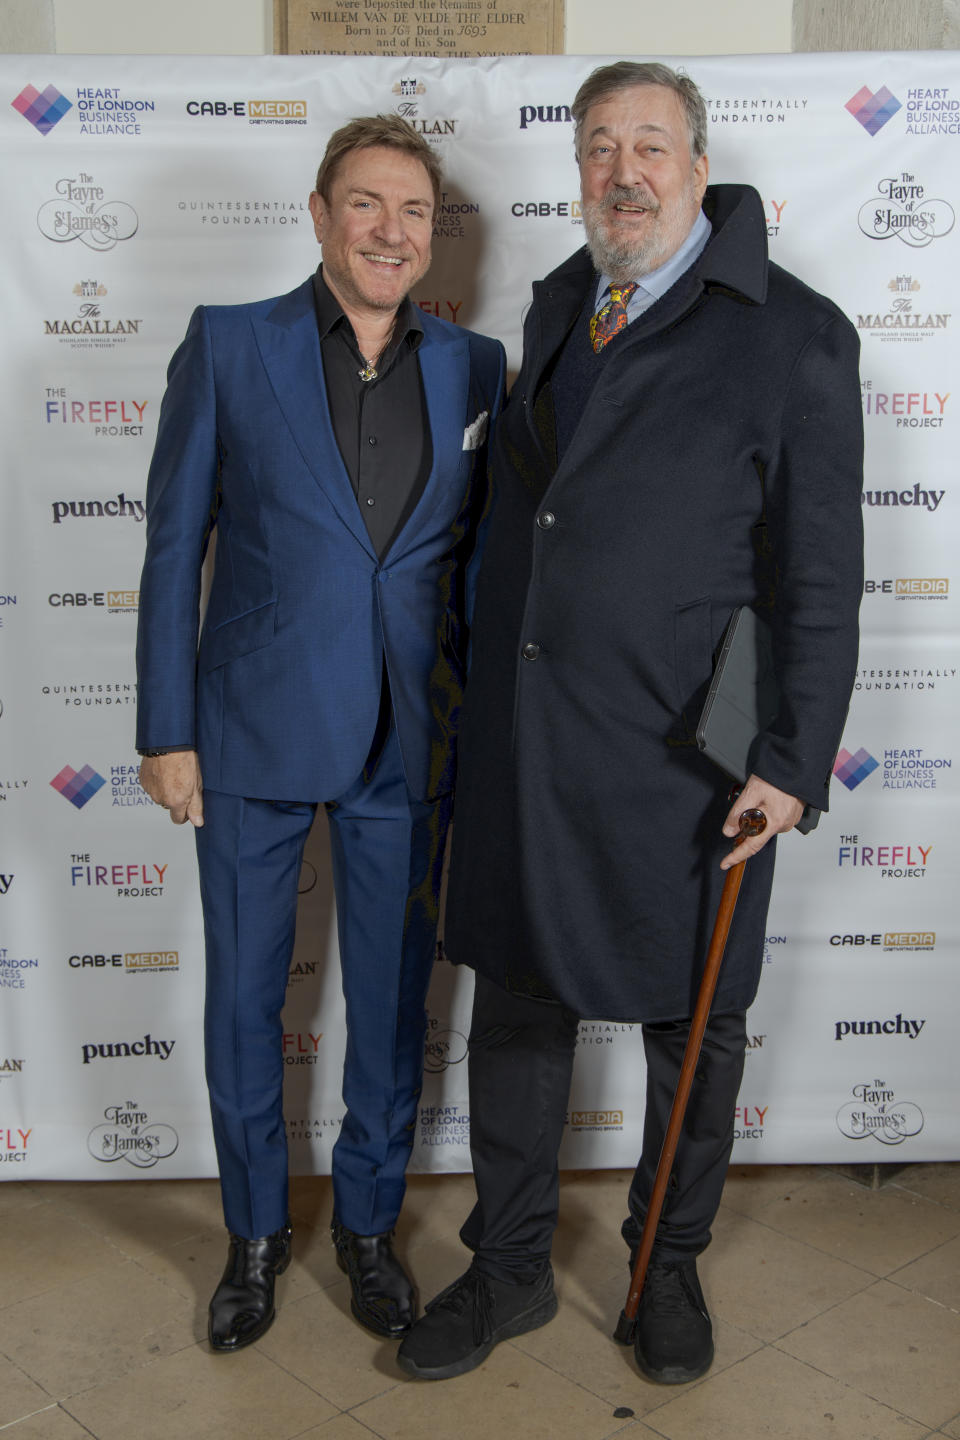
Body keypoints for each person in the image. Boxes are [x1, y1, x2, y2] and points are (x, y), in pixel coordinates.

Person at [397, 62, 863, 1386]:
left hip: (694, 760)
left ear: (698, 168)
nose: (623, 171)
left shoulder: (795, 334)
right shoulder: (560, 303)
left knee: (692, 1021)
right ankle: (509, 1270)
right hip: (531, 740)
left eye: (650, 145)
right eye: (600, 146)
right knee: (522, 1005)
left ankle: (668, 1268)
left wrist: (791, 763)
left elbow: (820, 573)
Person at [136, 114, 505, 1353]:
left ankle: (364, 1227)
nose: (390, 230)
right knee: (246, 1000)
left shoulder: (475, 367)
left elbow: (469, 570)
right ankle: (250, 1239)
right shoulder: (231, 346)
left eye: (412, 211)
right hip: (244, 730)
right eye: (366, 204)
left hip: (411, 738)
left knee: (394, 1004)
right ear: (319, 213)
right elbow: (170, 549)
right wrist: (165, 727)